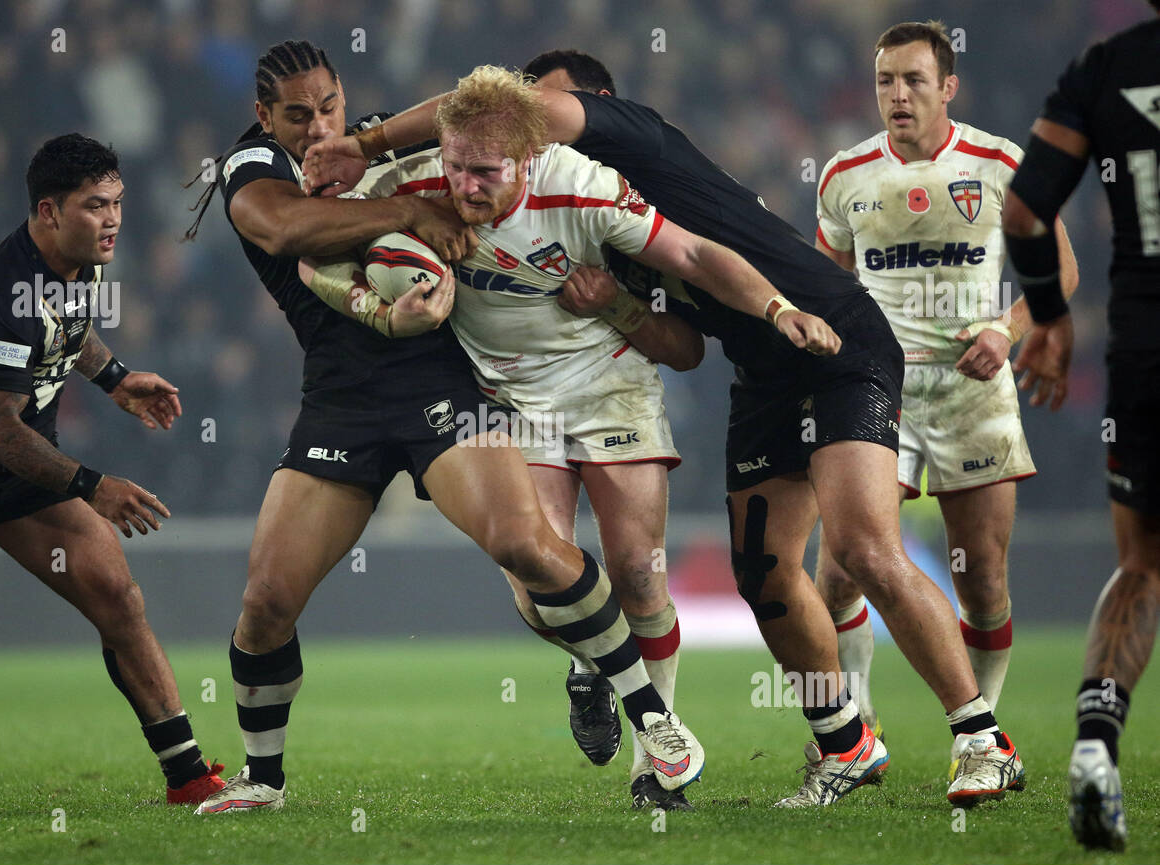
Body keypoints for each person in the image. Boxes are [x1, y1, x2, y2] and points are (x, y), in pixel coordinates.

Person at [305, 50, 1025, 808]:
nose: (533, 131)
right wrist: (616, 304)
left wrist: (367, 139)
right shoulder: (595, 213)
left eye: (537, 116)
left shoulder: (625, 140)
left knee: (865, 550)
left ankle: (981, 737)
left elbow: (492, 109)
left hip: (835, 340)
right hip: (763, 373)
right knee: (765, 578)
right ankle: (844, 740)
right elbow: (682, 346)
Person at [183, 40, 704, 815]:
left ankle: (654, 720)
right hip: (343, 400)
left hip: (442, 381)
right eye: (299, 114)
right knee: (265, 602)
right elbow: (287, 232)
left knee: (526, 547)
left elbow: (483, 114)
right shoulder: (250, 167)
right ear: (265, 116)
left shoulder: (370, 143)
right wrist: (405, 214)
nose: (318, 123)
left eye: (329, 105)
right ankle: (263, 778)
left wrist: (375, 145)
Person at [0, 133, 225, 805]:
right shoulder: (0, 292)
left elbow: (70, 329)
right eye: (95, 206)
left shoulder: (79, 261)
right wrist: (94, 485)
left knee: (117, 594)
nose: (113, 218)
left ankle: (189, 776)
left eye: (117, 202)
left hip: (18, 477)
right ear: (49, 212)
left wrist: (115, 379)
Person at [814, 20, 1078, 733]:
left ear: (948, 87)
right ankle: (857, 712)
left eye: (913, 81)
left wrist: (1005, 329)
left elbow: (1063, 272)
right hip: (879, 394)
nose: (897, 96)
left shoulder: (1000, 164)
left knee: (982, 578)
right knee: (839, 564)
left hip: (974, 391)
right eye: (884, 81)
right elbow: (829, 294)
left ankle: (982, 729)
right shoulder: (844, 175)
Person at [1002, 1, 1160, 852]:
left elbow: (1024, 212)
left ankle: (1096, 746)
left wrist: (1051, 322)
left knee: (1141, 562)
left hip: (1142, 350)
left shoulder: (1105, 67)